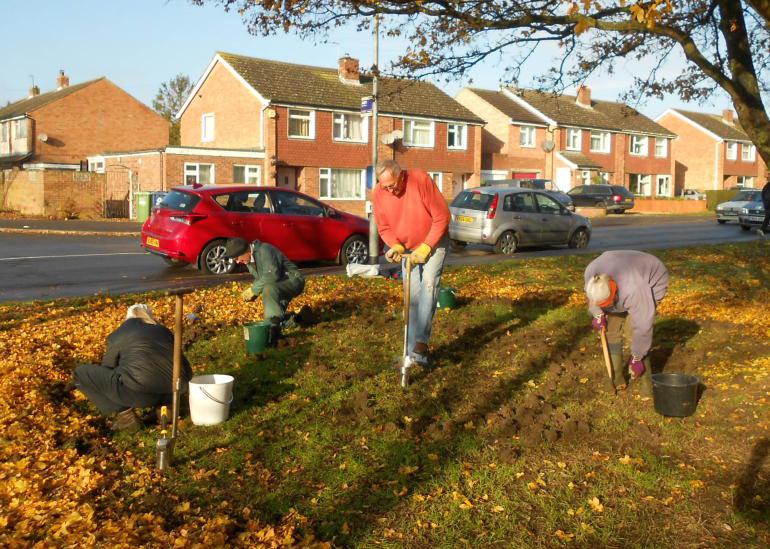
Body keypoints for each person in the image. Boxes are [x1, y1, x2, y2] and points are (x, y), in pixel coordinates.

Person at [373, 158, 450, 367]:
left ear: (401, 175)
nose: (389, 191)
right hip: (406, 248)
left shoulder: (420, 180)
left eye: (392, 185)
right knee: (411, 296)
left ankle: (421, 343)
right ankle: (411, 355)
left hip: (434, 242)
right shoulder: (380, 192)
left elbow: (442, 216)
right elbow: (384, 227)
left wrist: (426, 246)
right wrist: (395, 246)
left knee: (428, 287)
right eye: (384, 186)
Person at [72, 304, 192, 432]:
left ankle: (125, 416)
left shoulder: (119, 334)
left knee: (80, 373)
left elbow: (107, 367)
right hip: (174, 391)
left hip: (138, 394)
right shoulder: (164, 330)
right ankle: (166, 409)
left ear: (127, 318)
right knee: (157, 371)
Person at [584, 251, 669, 397]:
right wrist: (597, 313)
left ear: (614, 291)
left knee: (633, 333)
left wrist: (637, 356)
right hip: (623, 273)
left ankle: (646, 383)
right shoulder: (592, 274)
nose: (607, 308)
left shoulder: (634, 289)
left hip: (652, 280)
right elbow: (592, 300)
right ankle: (616, 377)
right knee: (610, 330)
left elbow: (643, 329)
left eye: (607, 304)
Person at [223, 237, 306, 339]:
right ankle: (299, 319)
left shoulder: (265, 250)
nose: (237, 262)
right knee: (272, 317)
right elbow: (262, 279)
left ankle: (274, 332)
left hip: (293, 280)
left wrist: (254, 290)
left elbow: (272, 276)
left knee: (268, 290)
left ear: (246, 251)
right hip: (278, 284)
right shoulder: (249, 260)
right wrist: (254, 291)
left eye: (237, 258)